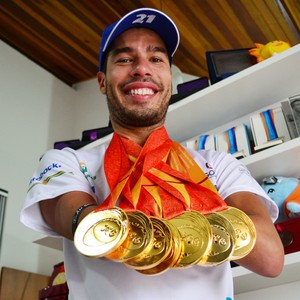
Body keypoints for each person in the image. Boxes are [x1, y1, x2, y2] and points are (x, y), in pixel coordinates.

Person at [21, 7, 284, 300]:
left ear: (169, 80)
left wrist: (180, 212)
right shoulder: (70, 162)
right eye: (124, 59)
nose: (141, 68)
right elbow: (77, 221)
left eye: (156, 58)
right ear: (102, 82)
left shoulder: (217, 164)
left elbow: (270, 259)